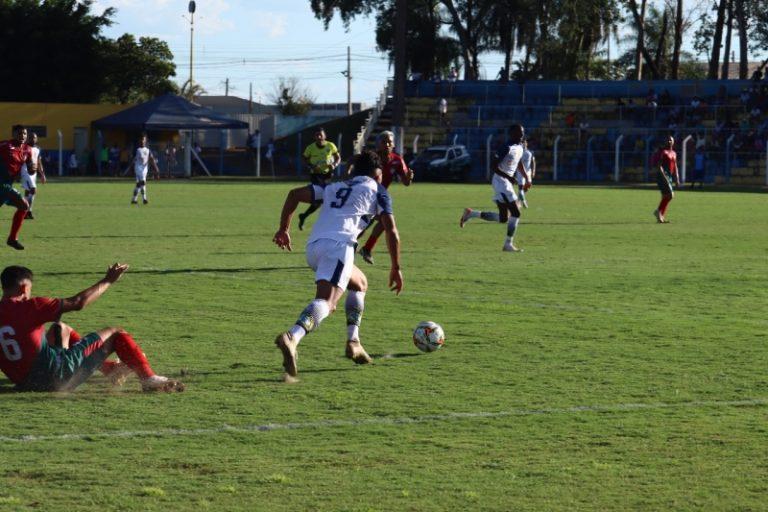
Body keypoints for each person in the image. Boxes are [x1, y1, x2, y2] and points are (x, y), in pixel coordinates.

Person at [272, 150, 403, 378]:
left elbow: (294, 195)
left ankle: (353, 342)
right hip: (338, 248)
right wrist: (396, 267)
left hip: (314, 247)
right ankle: (292, 337)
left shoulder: (334, 186)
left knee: (359, 283)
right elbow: (391, 230)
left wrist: (284, 229)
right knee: (327, 302)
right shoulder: (378, 191)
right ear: (376, 173)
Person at [0, 263, 184, 392]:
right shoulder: (29, 306)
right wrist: (108, 280)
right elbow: (78, 302)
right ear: (24, 288)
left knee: (61, 328)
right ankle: (148, 379)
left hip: (25, 384)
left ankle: (108, 369)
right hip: (57, 377)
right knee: (115, 333)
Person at [459, 124, 531, 252]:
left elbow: (519, 162)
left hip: (506, 182)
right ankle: (508, 244)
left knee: (504, 218)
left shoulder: (519, 147)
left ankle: (471, 213)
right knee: (516, 212)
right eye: (519, 133)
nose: (522, 135)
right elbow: (493, 166)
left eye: (523, 132)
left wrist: (526, 178)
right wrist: (508, 177)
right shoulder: (506, 147)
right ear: (512, 134)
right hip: (501, 181)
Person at [358, 130, 413, 264]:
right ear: (378, 144)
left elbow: (406, 183)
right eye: (384, 142)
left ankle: (367, 248)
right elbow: (355, 164)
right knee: (360, 227)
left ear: (393, 144)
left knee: (384, 222)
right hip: (365, 196)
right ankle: (345, 247)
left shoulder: (397, 160)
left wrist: (409, 177)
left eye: (390, 142)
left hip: (380, 198)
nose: (387, 144)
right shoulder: (371, 158)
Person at [297, 127, 341, 230]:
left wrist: (334, 165)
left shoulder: (331, 146)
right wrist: (311, 166)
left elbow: (338, 157)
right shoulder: (310, 148)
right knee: (320, 199)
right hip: (315, 175)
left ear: (325, 136)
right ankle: (324, 222)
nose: (319, 137)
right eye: (317, 135)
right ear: (315, 137)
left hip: (328, 175)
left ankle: (304, 216)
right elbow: (304, 158)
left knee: (322, 199)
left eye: (321, 134)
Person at [0, 125, 33, 250]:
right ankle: (12, 239)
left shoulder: (27, 149)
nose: (23, 136)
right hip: (2, 184)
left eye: (24, 133)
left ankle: (12, 239)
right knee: (24, 205)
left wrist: (32, 168)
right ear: (13, 134)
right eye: (19, 133)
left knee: (24, 206)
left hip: (7, 185)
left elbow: (29, 167)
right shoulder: (5, 146)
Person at [652, 135, 679, 223]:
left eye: (671, 140)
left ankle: (660, 217)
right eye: (668, 140)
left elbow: (675, 166)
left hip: (669, 176)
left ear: (673, 142)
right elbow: (659, 166)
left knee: (666, 196)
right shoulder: (663, 152)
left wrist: (677, 178)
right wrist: (664, 177)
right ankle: (658, 212)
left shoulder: (674, 153)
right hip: (662, 176)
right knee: (671, 195)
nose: (669, 141)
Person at [20, 132, 45, 220]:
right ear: (28, 139)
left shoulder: (38, 148)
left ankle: (27, 212)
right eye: (31, 138)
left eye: (34, 138)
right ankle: (26, 211)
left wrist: (42, 174)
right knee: (33, 190)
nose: (32, 139)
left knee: (28, 192)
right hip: (26, 171)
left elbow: (39, 162)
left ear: (37, 139)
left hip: (34, 173)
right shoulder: (24, 147)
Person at [129, 134, 159, 205]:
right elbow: (133, 160)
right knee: (142, 182)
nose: (142, 141)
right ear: (139, 141)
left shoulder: (148, 150)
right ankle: (144, 199)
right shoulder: (137, 150)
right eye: (141, 139)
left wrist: (156, 169)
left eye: (143, 139)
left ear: (145, 141)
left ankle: (134, 199)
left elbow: (151, 159)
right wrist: (131, 168)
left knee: (140, 185)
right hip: (138, 167)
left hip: (145, 169)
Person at [517, 138, 535, 209]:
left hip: (528, 172)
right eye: (522, 143)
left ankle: (518, 200)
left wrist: (533, 171)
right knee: (520, 188)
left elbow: (533, 161)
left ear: (526, 143)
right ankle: (523, 201)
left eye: (524, 142)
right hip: (520, 172)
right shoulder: (518, 152)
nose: (523, 144)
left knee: (527, 187)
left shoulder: (530, 152)